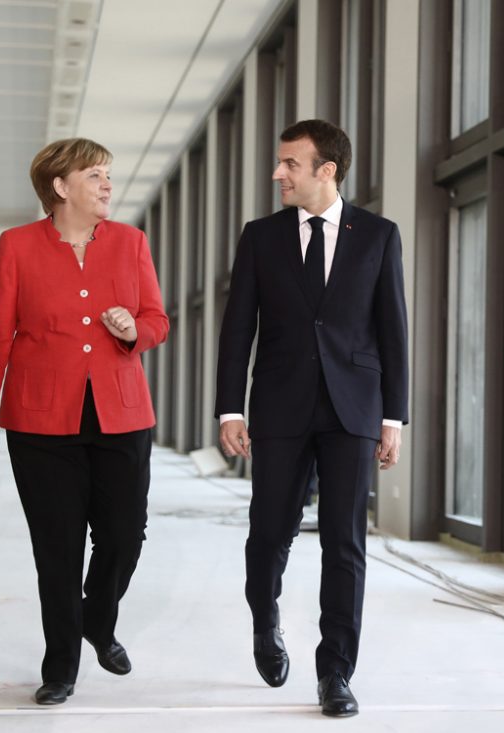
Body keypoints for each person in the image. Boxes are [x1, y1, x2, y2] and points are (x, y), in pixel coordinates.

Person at [0, 138, 168, 706]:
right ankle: (61, 668)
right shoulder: (16, 246)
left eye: (107, 174)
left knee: (124, 535)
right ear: (60, 187)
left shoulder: (131, 242)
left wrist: (133, 330)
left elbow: (157, 320)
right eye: (95, 174)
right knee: (57, 547)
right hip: (39, 423)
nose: (106, 184)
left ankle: (98, 619)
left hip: (121, 414)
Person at [216, 119, 408, 718]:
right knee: (269, 531)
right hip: (279, 406)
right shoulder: (260, 237)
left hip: (353, 407)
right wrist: (230, 408)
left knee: (344, 543)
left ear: (327, 170)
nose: (278, 173)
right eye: (279, 163)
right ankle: (265, 618)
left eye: (290, 164)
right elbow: (236, 331)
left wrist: (394, 417)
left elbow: (393, 329)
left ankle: (335, 674)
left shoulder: (378, 235)